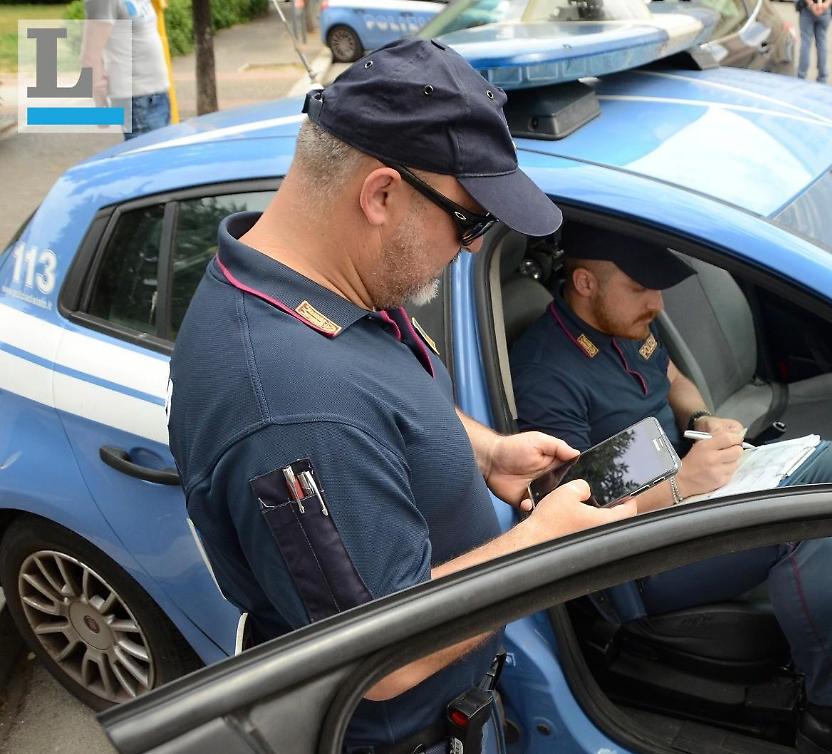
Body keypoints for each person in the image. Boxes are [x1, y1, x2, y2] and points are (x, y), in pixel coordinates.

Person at [167, 40, 635, 754]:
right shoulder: (294, 408)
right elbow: (381, 655)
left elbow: (384, 393)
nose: (476, 247)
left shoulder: (313, 283)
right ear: (381, 194)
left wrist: (487, 453)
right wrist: (542, 548)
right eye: (471, 220)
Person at [510, 225, 832, 753]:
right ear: (585, 282)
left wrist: (702, 417)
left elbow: (670, 374)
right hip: (634, 551)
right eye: (641, 289)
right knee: (802, 530)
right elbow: (575, 501)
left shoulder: (625, 323)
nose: (657, 304)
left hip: (693, 485)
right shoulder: (547, 371)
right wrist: (678, 485)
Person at [81, 0, 171, 138]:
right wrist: (101, 106)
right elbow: (90, 57)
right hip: (138, 103)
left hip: (159, 96)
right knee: (145, 158)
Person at [796, 0, 832, 84]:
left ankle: (801, 75)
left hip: (807, 9)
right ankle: (822, 76)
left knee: (805, 43)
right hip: (825, 10)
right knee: (822, 44)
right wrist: (826, 4)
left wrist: (812, 4)